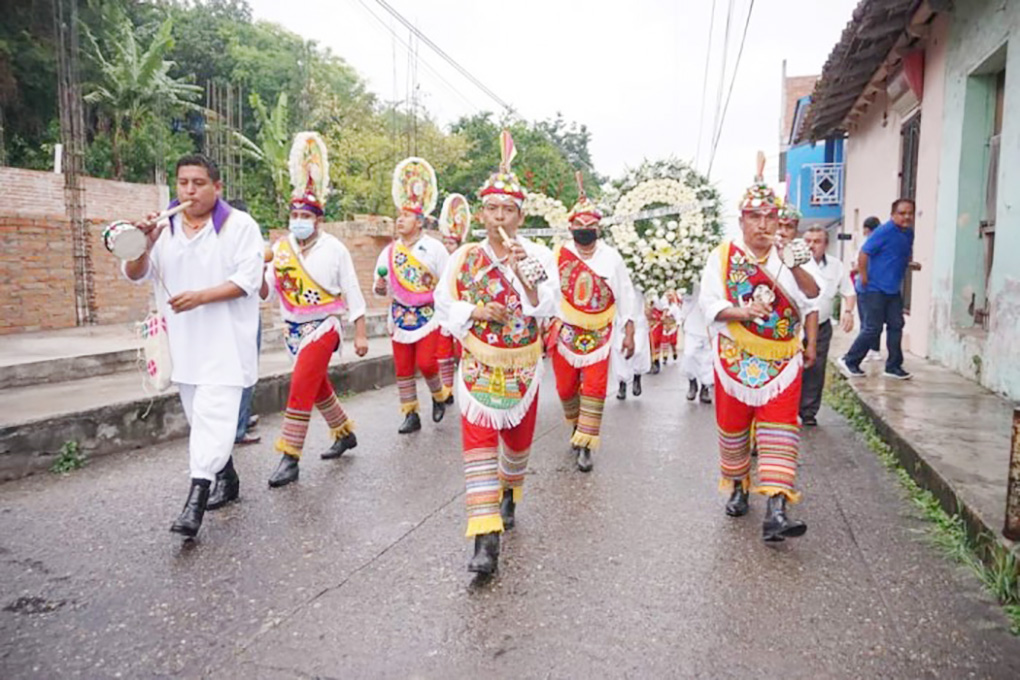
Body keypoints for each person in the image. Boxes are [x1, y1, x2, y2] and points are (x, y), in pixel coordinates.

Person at [434, 130, 558, 575]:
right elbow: (443, 302)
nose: (499, 216)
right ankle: (485, 538)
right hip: (478, 364)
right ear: (481, 213)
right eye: (492, 208)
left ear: (520, 215)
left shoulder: (538, 254)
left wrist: (525, 273)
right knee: (479, 445)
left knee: (518, 445)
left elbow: (547, 305)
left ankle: (510, 491)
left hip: (522, 365)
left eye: (508, 209)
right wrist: (477, 310)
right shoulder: (465, 256)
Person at [124, 154, 264, 538]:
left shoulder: (240, 226)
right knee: (202, 421)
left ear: (217, 187)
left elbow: (248, 280)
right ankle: (228, 478)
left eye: (199, 183)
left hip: (226, 346)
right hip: (183, 347)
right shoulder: (163, 227)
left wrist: (200, 297)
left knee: (213, 417)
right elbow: (136, 274)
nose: (189, 191)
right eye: (183, 182)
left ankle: (195, 500)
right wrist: (143, 244)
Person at [698, 156, 818, 542]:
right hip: (735, 356)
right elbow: (708, 304)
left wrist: (793, 265)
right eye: (755, 217)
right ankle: (738, 486)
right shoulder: (723, 256)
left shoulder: (791, 254)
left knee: (780, 428)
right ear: (742, 220)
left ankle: (777, 509)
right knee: (734, 427)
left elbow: (812, 295)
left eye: (770, 217)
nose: (763, 225)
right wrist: (743, 312)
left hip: (782, 358)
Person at [263, 132, 369, 489]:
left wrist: (360, 332)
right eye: (294, 214)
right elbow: (267, 290)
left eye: (305, 215)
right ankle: (344, 433)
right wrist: (256, 270)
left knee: (300, 384)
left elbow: (351, 289)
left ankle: (289, 457)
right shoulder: (280, 249)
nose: (298, 219)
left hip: (324, 326)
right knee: (316, 384)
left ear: (317, 219)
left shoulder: (334, 248)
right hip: (292, 328)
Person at [551, 172, 635, 472]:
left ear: (598, 229)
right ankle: (576, 427)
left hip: (600, 332)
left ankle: (586, 444)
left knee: (595, 388)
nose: (585, 232)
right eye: (580, 227)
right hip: (565, 331)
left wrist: (629, 332)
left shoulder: (612, 257)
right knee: (565, 389)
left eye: (590, 228)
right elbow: (546, 294)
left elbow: (626, 295)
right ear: (571, 228)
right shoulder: (558, 255)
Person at [373, 157, 451, 434]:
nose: (399, 220)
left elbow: (446, 283)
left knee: (427, 363)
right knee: (403, 368)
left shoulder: (435, 248)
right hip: (400, 314)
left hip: (429, 315)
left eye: (405, 216)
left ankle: (439, 395)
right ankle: (410, 413)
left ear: (419, 221)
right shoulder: (390, 251)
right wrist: (380, 288)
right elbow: (380, 284)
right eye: (399, 216)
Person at [839, 199, 920, 380]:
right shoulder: (884, 231)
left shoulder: (908, 233)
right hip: (873, 288)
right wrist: (864, 276)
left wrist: (910, 264)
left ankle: (893, 366)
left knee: (896, 325)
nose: (906, 217)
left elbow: (898, 254)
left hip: (892, 289)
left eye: (910, 213)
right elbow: (864, 253)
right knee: (873, 328)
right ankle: (849, 360)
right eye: (902, 213)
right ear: (893, 215)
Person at [799, 226, 856, 426]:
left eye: (817, 241)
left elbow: (849, 291)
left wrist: (848, 312)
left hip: (821, 325)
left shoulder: (835, 266)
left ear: (826, 244)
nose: (811, 245)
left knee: (816, 368)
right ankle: (788, 409)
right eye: (808, 241)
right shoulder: (795, 263)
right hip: (796, 326)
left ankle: (808, 412)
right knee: (792, 368)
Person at [226, 197, 264, 448]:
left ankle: (242, 418)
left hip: (236, 313)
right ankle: (238, 428)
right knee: (244, 370)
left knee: (243, 370)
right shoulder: (244, 239)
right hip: (242, 315)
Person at [435, 194, 471, 399]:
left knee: (461, 352)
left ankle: (466, 387)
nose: (447, 246)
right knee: (442, 354)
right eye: (445, 242)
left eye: (451, 243)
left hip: (462, 312)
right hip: (444, 313)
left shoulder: (465, 260)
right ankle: (446, 390)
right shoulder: (440, 258)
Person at [851, 216, 882, 362]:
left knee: (867, 321)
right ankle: (873, 349)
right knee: (872, 320)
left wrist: (855, 270)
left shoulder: (868, 243)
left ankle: (870, 350)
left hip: (866, 286)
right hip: (875, 286)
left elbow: (862, 264)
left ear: (866, 229)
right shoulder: (880, 242)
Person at [612, 285, 651, 400]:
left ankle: (637, 375)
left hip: (639, 318)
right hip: (620, 318)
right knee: (620, 350)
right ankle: (622, 383)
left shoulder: (642, 281)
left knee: (639, 350)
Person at [680, 284, 713, 404]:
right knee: (689, 354)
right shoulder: (692, 281)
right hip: (693, 324)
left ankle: (705, 387)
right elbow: (686, 298)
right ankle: (692, 382)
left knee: (708, 359)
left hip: (710, 325)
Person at [647, 294, 666, 374]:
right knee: (647, 343)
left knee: (655, 342)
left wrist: (663, 316)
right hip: (647, 320)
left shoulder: (660, 295)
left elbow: (664, 307)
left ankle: (656, 361)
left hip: (656, 321)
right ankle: (648, 363)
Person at [661, 290, 681, 363]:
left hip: (672, 326)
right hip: (665, 326)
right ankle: (665, 357)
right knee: (664, 342)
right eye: (667, 296)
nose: (669, 298)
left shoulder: (675, 307)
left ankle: (674, 352)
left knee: (673, 342)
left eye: (670, 296)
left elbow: (678, 316)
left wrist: (677, 325)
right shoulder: (662, 306)